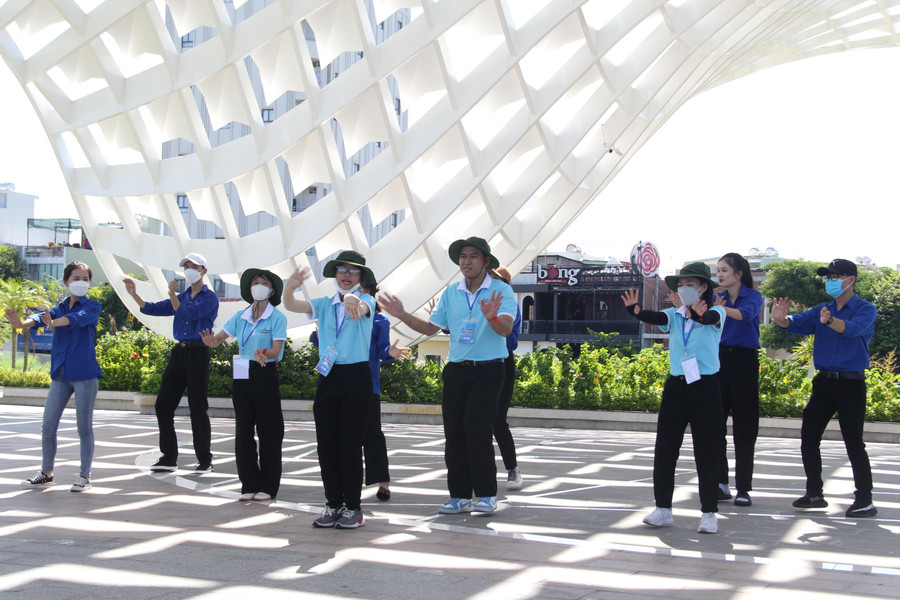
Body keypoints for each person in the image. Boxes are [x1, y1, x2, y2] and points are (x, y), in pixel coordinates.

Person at [381, 237, 516, 515]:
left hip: (489, 369)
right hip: (456, 369)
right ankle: (460, 496)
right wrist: (402, 314)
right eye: (463, 256)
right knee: (454, 433)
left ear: (486, 261)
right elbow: (430, 328)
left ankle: (486, 494)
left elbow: (505, 330)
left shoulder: (501, 290)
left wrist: (491, 317)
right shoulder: (451, 293)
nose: (466, 261)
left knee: (477, 429)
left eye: (473, 256)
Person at [622, 262, 726, 534]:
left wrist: (693, 312)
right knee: (665, 449)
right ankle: (663, 509)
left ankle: (709, 513)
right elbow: (655, 317)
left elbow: (706, 320)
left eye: (690, 284)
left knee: (706, 451)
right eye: (681, 285)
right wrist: (635, 310)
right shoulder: (675, 314)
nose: (684, 289)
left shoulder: (717, 311)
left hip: (705, 386)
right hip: (677, 385)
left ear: (703, 287)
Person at [772, 258, 877, 518]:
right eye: (827, 277)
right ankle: (814, 493)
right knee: (809, 437)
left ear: (851, 280)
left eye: (835, 277)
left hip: (851, 384)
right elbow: (797, 322)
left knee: (853, 442)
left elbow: (852, 330)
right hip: (824, 383)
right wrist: (782, 320)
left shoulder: (865, 309)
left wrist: (830, 322)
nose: (830, 281)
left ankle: (864, 499)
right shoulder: (823, 308)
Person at [283, 250, 376, 529]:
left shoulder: (368, 300)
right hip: (328, 375)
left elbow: (361, 307)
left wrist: (352, 300)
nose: (347, 275)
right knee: (326, 446)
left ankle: (353, 508)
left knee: (350, 445)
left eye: (353, 271)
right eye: (342, 270)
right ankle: (333, 504)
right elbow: (291, 305)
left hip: (356, 376)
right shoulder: (324, 304)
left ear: (360, 277)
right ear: (335, 274)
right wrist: (289, 287)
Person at [310, 280, 411, 501]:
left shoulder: (378, 319)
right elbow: (327, 343)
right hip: (336, 379)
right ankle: (339, 493)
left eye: (361, 291)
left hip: (366, 383)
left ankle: (382, 481)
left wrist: (389, 352)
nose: (356, 295)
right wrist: (319, 336)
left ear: (370, 295)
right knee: (339, 438)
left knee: (372, 433)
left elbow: (382, 348)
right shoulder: (336, 313)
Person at [7, 261, 102, 492]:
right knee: (48, 426)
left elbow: (74, 319)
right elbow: (41, 317)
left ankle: (84, 476)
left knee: (84, 428)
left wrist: (53, 322)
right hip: (61, 374)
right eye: (76, 278)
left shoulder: (93, 307)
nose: (81, 282)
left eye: (85, 279)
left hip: (85, 375)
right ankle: (46, 472)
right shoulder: (59, 307)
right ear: (66, 282)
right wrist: (21, 324)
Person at [124, 252, 219, 473]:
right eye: (186, 266)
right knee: (163, 405)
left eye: (194, 266)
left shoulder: (210, 298)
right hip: (179, 352)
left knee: (198, 407)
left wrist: (172, 296)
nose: (189, 270)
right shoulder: (182, 296)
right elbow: (153, 308)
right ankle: (168, 457)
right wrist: (134, 294)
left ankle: (204, 459)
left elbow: (187, 314)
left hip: (198, 352)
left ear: (204, 271)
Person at [200, 269, 287, 501]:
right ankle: (249, 483)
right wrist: (210, 341)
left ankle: (268, 486)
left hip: (263, 369)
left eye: (264, 283)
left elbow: (277, 350)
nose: (258, 286)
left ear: (272, 291)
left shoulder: (277, 317)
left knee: (269, 430)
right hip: (241, 371)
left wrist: (264, 353)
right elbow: (219, 338)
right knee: (243, 430)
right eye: (255, 282)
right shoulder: (240, 316)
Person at [713, 253, 763, 506]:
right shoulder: (716, 297)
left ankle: (743, 488)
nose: (719, 275)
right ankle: (721, 483)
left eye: (724, 270)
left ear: (739, 273)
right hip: (719, 359)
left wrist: (720, 308)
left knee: (745, 427)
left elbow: (745, 315)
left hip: (744, 361)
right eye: (718, 270)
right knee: (715, 425)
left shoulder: (753, 296)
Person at [488, 265, 523, 491]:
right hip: (480, 360)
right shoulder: (479, 301)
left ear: (506, 284)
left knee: (497, 420)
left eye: (496, 279)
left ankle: (512, 469)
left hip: (502, 361)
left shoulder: (511, 306)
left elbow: (509, 339)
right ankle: (481, 472)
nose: (491, 282)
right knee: (476, 421)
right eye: (489, 278)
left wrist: (492, 322)